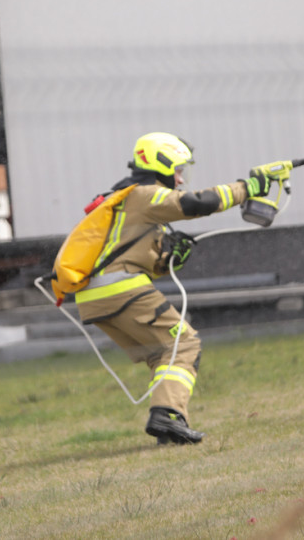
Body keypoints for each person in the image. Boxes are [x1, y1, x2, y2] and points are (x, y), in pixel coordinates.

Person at [74, 132, 274, 445]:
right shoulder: (144, 194)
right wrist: (246, 188)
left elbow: (127, 255)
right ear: (161, 164)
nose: (180, 180)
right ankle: (166, 414)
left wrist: (168, 260)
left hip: (95, 296)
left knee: (162, 353)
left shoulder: (126, 198)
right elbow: (197, 203)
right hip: (119, 287)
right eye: (178, 171)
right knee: (185, 344)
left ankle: (169, 427)